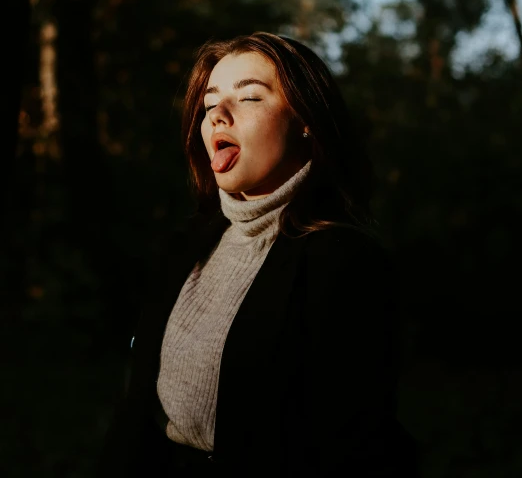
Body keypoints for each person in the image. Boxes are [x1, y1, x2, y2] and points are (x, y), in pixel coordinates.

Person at [97, 32, 420, 478]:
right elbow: (136, 413)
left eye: (249, 97)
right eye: (210, 105)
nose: (218, 117)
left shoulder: (344, 261)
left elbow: (352, 446)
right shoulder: (189, 242)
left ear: (306, 119)